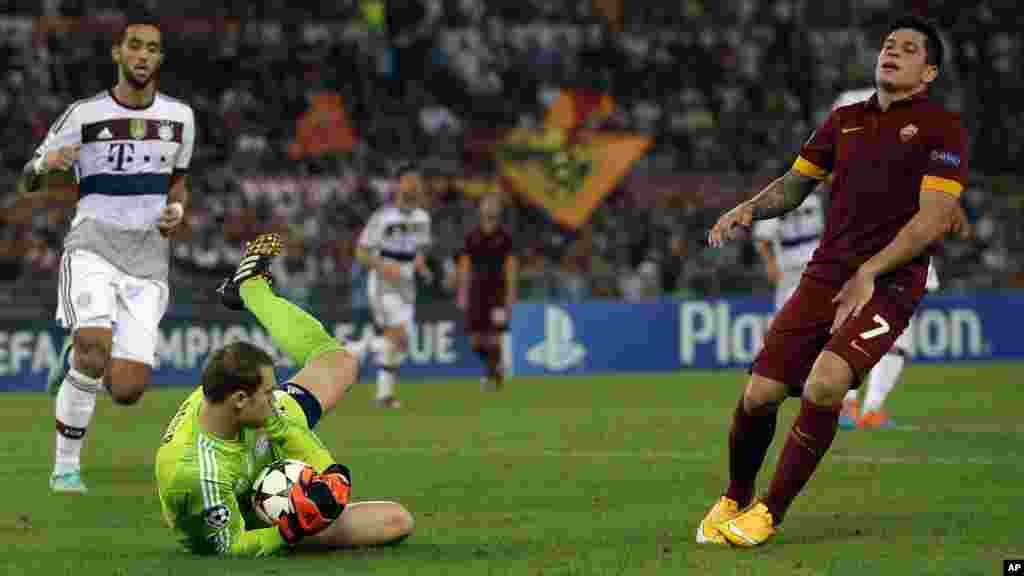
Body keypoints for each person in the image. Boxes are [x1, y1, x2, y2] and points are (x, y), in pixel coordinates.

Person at [698, 15, 969, 546]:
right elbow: (795, 186)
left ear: (929, 71)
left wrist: (870, 271)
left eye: (909, 49)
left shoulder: (942, 129)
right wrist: (750, 209)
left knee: (825, 384)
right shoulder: (844, 120)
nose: (892, 52)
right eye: (889, 44)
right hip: (825, 275)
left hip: (890, 282)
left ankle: (768, 513)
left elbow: (935, 218)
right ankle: (734, 496)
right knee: (760, 394)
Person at [16, 16, 195, 493]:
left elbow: (179, 181)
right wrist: (44, 164)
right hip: (93, 242)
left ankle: (75, 351)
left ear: (160, 59)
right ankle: (66, 469)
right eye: (134, 47)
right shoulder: (83, 115)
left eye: (152, 49)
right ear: (118, 54)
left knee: (128, 389)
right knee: (94, 353)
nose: (142, 56)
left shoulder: (180, 118)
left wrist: (177, 208)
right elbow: (27, 178)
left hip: (149, 255)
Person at [156, 233, 414, 556]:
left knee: (339, 362)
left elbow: (288, 431)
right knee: (394, 522)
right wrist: (293, 528)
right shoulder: (195, 474)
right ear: (239, 399)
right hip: (245, 522)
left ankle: (251, 288)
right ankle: (251, 287)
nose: (274, 398)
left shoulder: (240, 405)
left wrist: (330, 474)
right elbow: (231, 545)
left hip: (258, 464)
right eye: (267, 393)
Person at [354, 164, 433, 408]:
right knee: (396, 334)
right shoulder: (382, 217)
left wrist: (422, 267)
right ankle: (351, 351)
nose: (414, 185)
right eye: (409, 180)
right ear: (398, 184)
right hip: (383, 282)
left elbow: (420, 250)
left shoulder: (423, 218)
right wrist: (382, 266)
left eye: (417, 181)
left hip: (407, 283)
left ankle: (383, 395)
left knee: (402, 342)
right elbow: (361, 252)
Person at [456, 193, 518, 390]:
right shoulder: (471, 236)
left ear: (499, 211)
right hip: (476, 292)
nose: (490, 208)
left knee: (495, 336)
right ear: (481, 210)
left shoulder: (506, 237)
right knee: (475, 341)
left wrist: (511, 294)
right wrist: (462, 292)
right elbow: (465, 265)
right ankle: (496, 369)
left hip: (498, 293)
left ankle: (490, 377)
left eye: (494, 205)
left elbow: (511, 266)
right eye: (487, 205)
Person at [752, 191, 825, 310]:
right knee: (792, 311)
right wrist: (770, 263)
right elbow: (761, 239)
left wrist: (770, 263)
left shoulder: (813, 199)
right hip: (797, 268)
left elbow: (761, 239)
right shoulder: (813, 199)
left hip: (807, 266)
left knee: (808, 310)